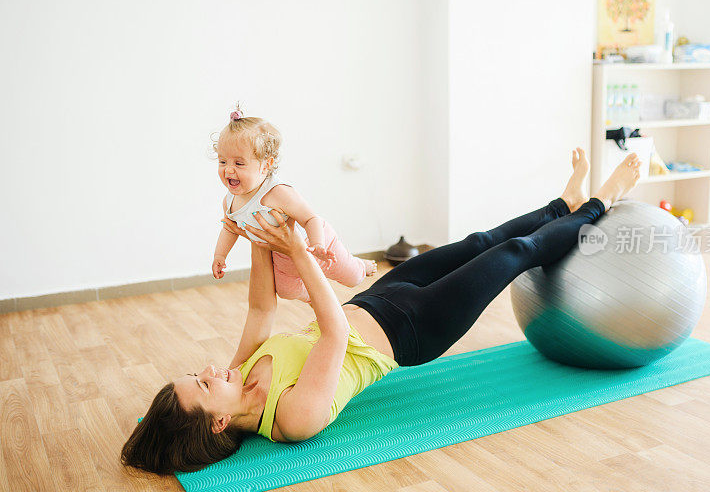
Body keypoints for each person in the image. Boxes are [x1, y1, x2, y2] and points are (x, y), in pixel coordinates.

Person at [121, 149, 641, 475]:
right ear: (217, 426)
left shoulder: (241, 369)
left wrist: (261, 233)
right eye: (206, 385)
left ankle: (562, 205)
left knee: (478, 240)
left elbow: (261, 308)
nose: (211, 370)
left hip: (379, 298)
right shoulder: (293, 419)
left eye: (197, 373)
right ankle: (602, 201)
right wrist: (298, 251)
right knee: (512, 256)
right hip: (416, 328)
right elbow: (334, 334)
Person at [212, 104, 377, 367]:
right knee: (287, 291)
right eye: (223, 162)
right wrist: (220, 255)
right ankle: (317, 297)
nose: (228, 170)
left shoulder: (278, 193)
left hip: (315, 244)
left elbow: (312, 218)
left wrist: (318, 245)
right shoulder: (230, 201)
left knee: (352, 277)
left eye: (239, 163)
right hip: (283, 258)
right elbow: (229, 228)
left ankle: (361, 264)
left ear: (266, 166)